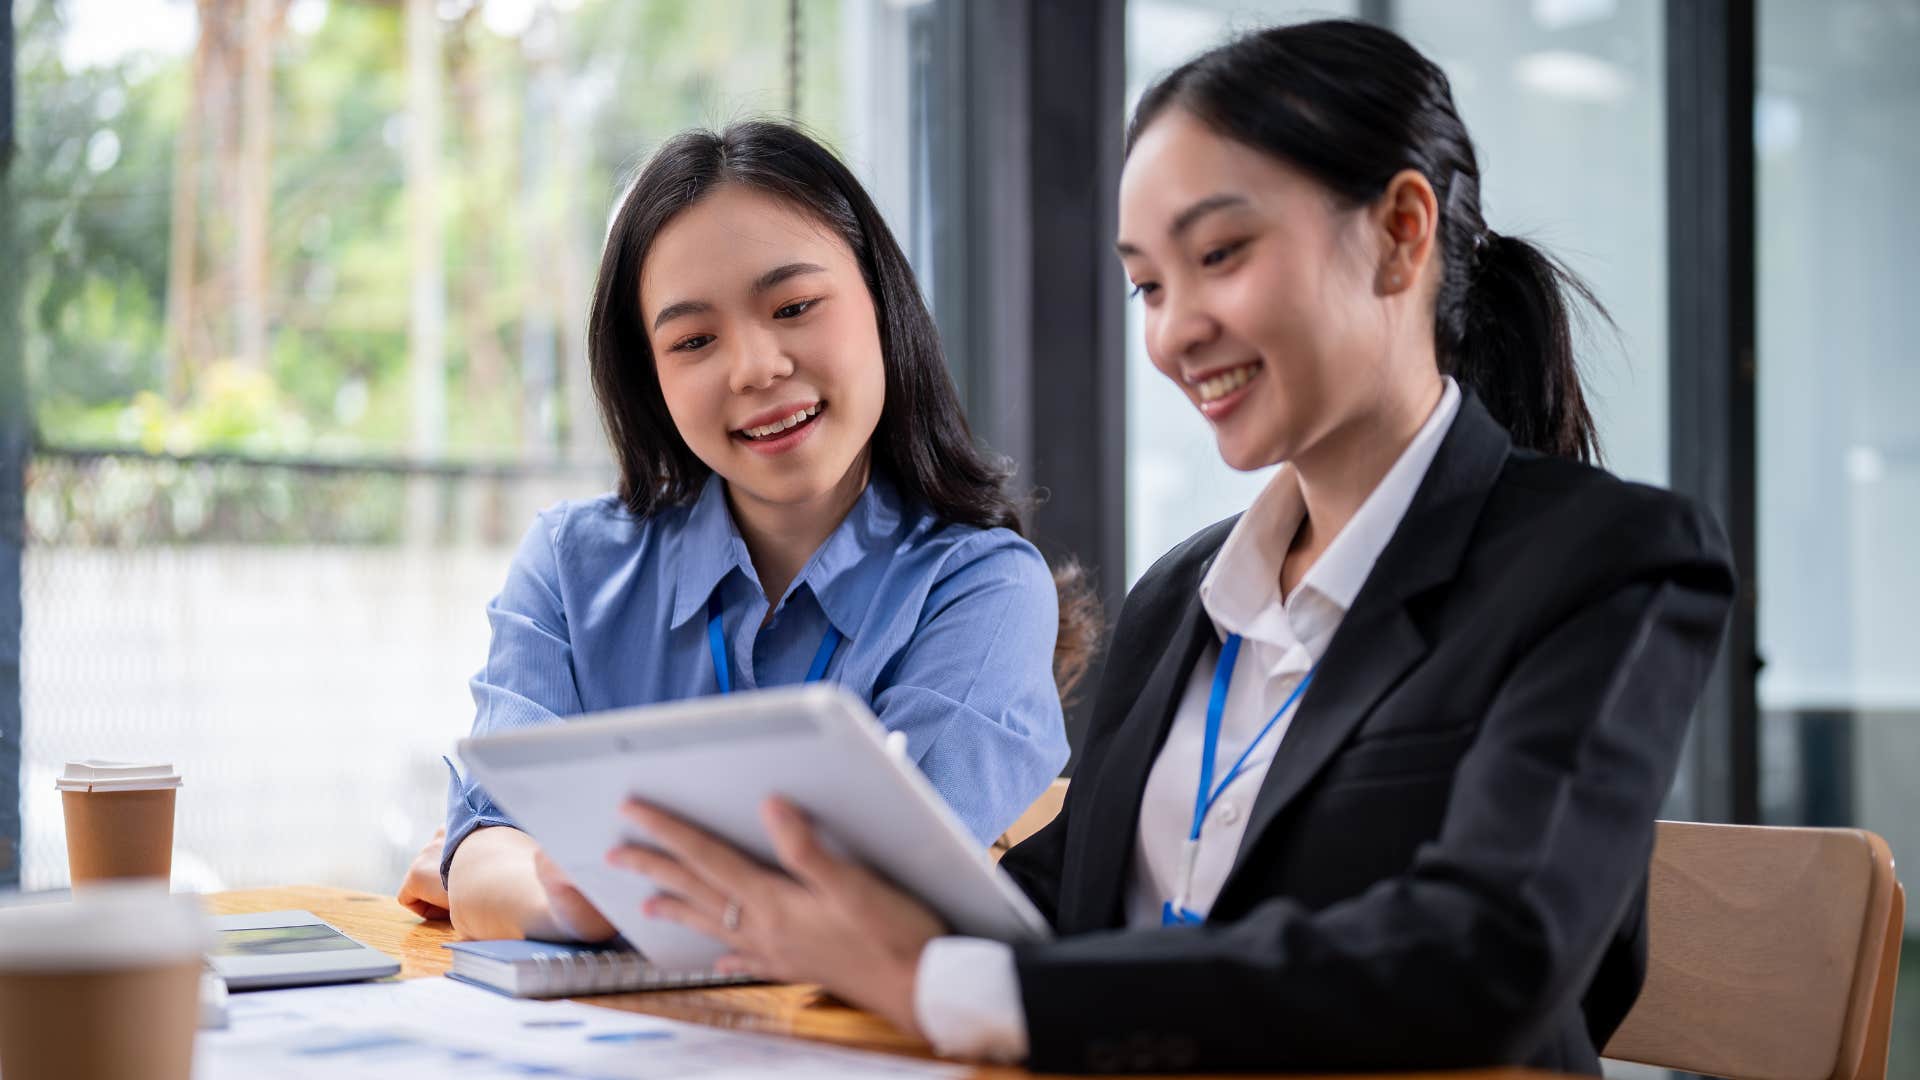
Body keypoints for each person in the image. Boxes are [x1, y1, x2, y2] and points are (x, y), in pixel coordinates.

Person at [601, 20, 1737, 1075]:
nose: (1173, 330)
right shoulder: (1184, 595)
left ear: (1400, 235)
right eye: (1147, 282)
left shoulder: (1608, 560)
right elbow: (1058, 904)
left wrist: (943, 976)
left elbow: (1486, 953)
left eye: (1222, 255)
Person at [397, 120, 1099, 942]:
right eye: (693, 339)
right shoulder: (569, 566)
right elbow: (483, 853)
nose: (754, 368)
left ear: (884, 304)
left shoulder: (983, 588)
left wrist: (609, 891)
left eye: (794, 306)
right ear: (650, 377)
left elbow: (889, 898)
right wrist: (553, 894)